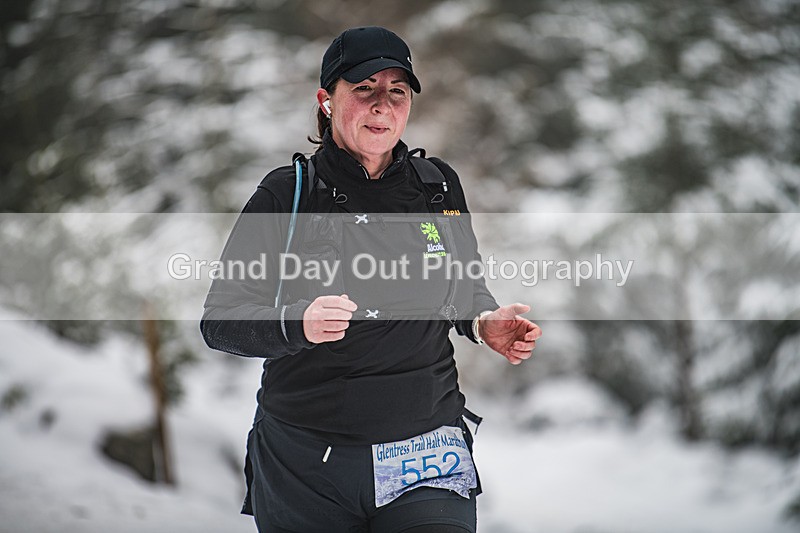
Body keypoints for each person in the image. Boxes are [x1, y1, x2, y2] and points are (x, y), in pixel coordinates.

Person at [201, 26, 541, 533]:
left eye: (397, 92)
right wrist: (297, 324)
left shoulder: (437, 185)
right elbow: (221, 321)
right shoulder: (288, 194)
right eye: (364, 89)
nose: (383, 105)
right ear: (326, 99)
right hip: (307, 463)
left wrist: (482, 320)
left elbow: (465, 286)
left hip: (426, 449)